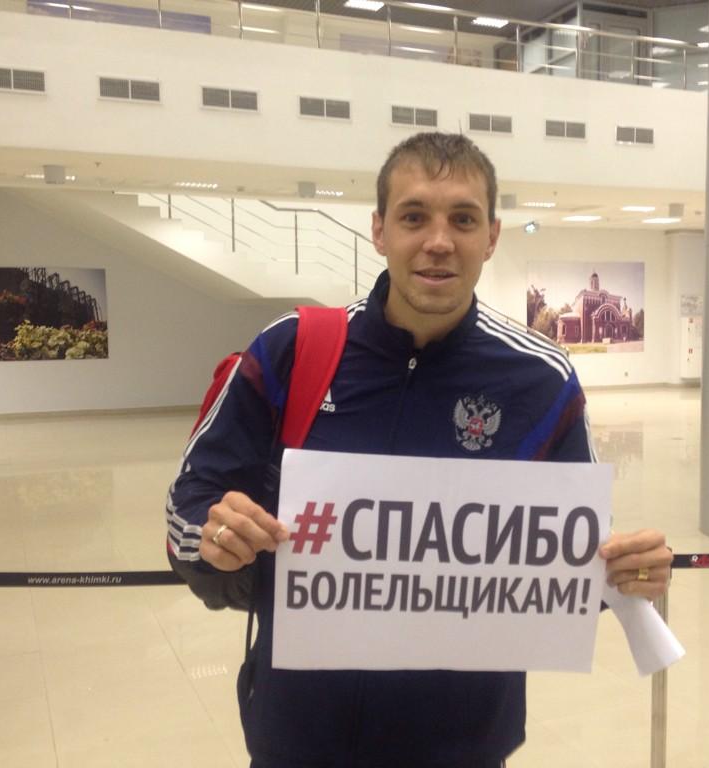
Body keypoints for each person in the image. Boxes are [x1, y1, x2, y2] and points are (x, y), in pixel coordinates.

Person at [167, 132, 673, 768]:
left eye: (463, 219)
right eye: (414, 217)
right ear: (379, 230)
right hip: (298, 737)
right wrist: (213, 534)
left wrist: (625, 572)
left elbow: (565, 563)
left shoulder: (541, 381)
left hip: (461, 747)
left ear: (491, 236)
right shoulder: (292, 350)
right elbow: (188, 502)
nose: (439, 241)